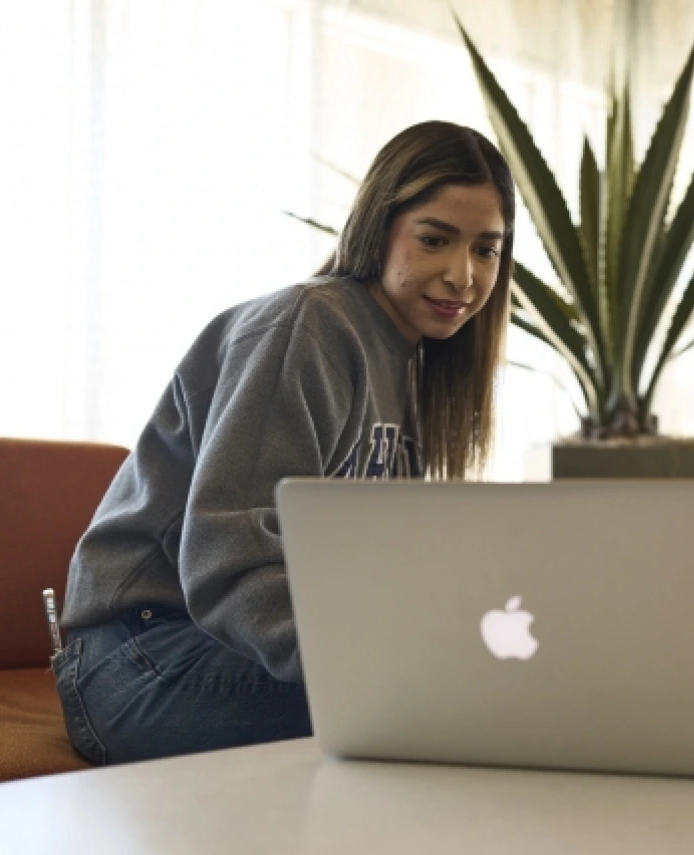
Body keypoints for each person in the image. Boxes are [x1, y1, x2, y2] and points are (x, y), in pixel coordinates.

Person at [54, 121, 516, 764]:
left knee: (491, 692)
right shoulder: (311, 326)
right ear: (379, 228)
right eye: (435, 240)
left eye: (486, 251)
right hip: (140, 657)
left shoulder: (414, 368)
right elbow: (229, 562)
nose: (462, 275)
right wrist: (378, 673)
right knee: (461, 709)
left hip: (216, 649)